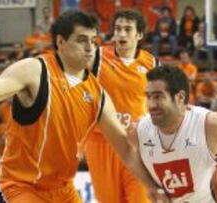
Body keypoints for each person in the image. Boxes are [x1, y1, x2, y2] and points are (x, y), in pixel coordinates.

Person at [0, 11, 168, 203]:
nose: (90, 48)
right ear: (61, 42)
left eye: (93, 41)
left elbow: (126, 149)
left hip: (62, 190)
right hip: (20, 186)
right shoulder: (34, 70)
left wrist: (152, 185)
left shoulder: (98, 94)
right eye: (81, 40)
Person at [129, 65, 217, 202]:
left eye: (158, 96)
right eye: (148, 97)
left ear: (179, 97)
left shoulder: (211, 125)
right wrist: (151, 186)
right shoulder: (139, 131)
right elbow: (128, 156)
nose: (151, 105)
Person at [85, 9, 158, 203]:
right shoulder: (97, 57)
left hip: (136, 143)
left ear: (139, 34)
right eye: (117, 29)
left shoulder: (152, 63)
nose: (122, 34)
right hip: (102, 142)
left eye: (127, 29)